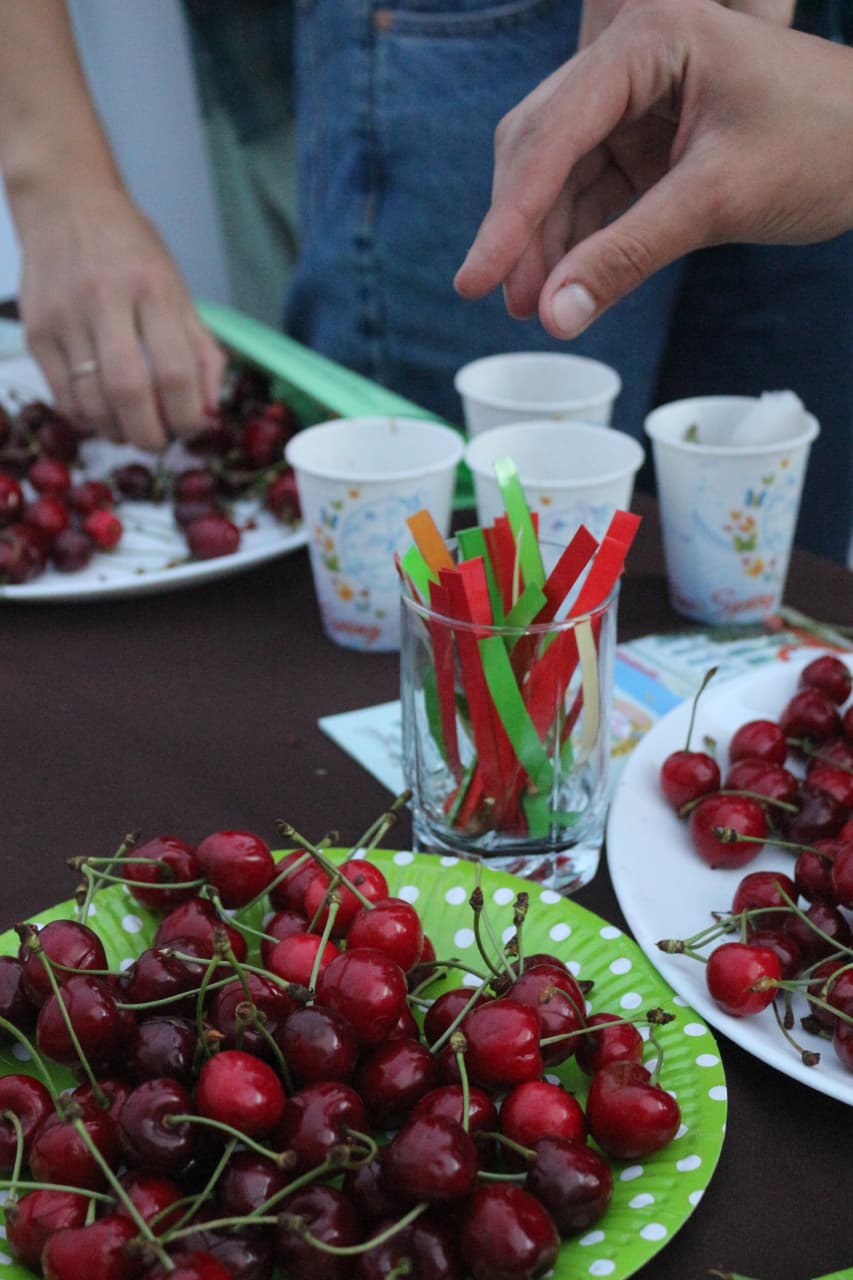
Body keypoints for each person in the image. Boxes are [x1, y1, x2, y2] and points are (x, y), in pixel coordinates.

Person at [1, 1, 851, 559]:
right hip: (482, 32)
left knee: (756, 630)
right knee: (425, 634)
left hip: (810, 48)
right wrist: (54, 173)